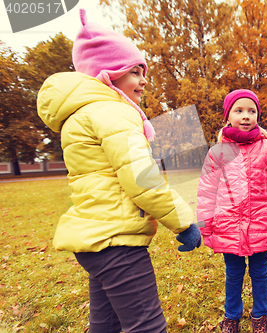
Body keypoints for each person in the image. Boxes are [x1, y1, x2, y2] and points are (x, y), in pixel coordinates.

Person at [37, 9, 201, 333]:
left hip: (95, 242)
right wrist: (183, 223)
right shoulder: (114, 112)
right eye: (135, 71)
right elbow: (142, 180)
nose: (143, 80)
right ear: (109, 72)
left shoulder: (81, 114)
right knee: (148, 327)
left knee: (105, 326)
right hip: (118, 243)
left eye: (143, 72)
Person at [196, 89, 267, 333]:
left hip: (261, 227)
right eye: (239, 111)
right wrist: (205, 227)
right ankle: (232, 316)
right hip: (228, 227)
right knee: (233, 273)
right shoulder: (217, 152)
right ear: (227, 117)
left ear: (257, 116)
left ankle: (260, 315)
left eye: (251, 111)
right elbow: (206, 193)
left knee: (260, 272)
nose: (245, 116)